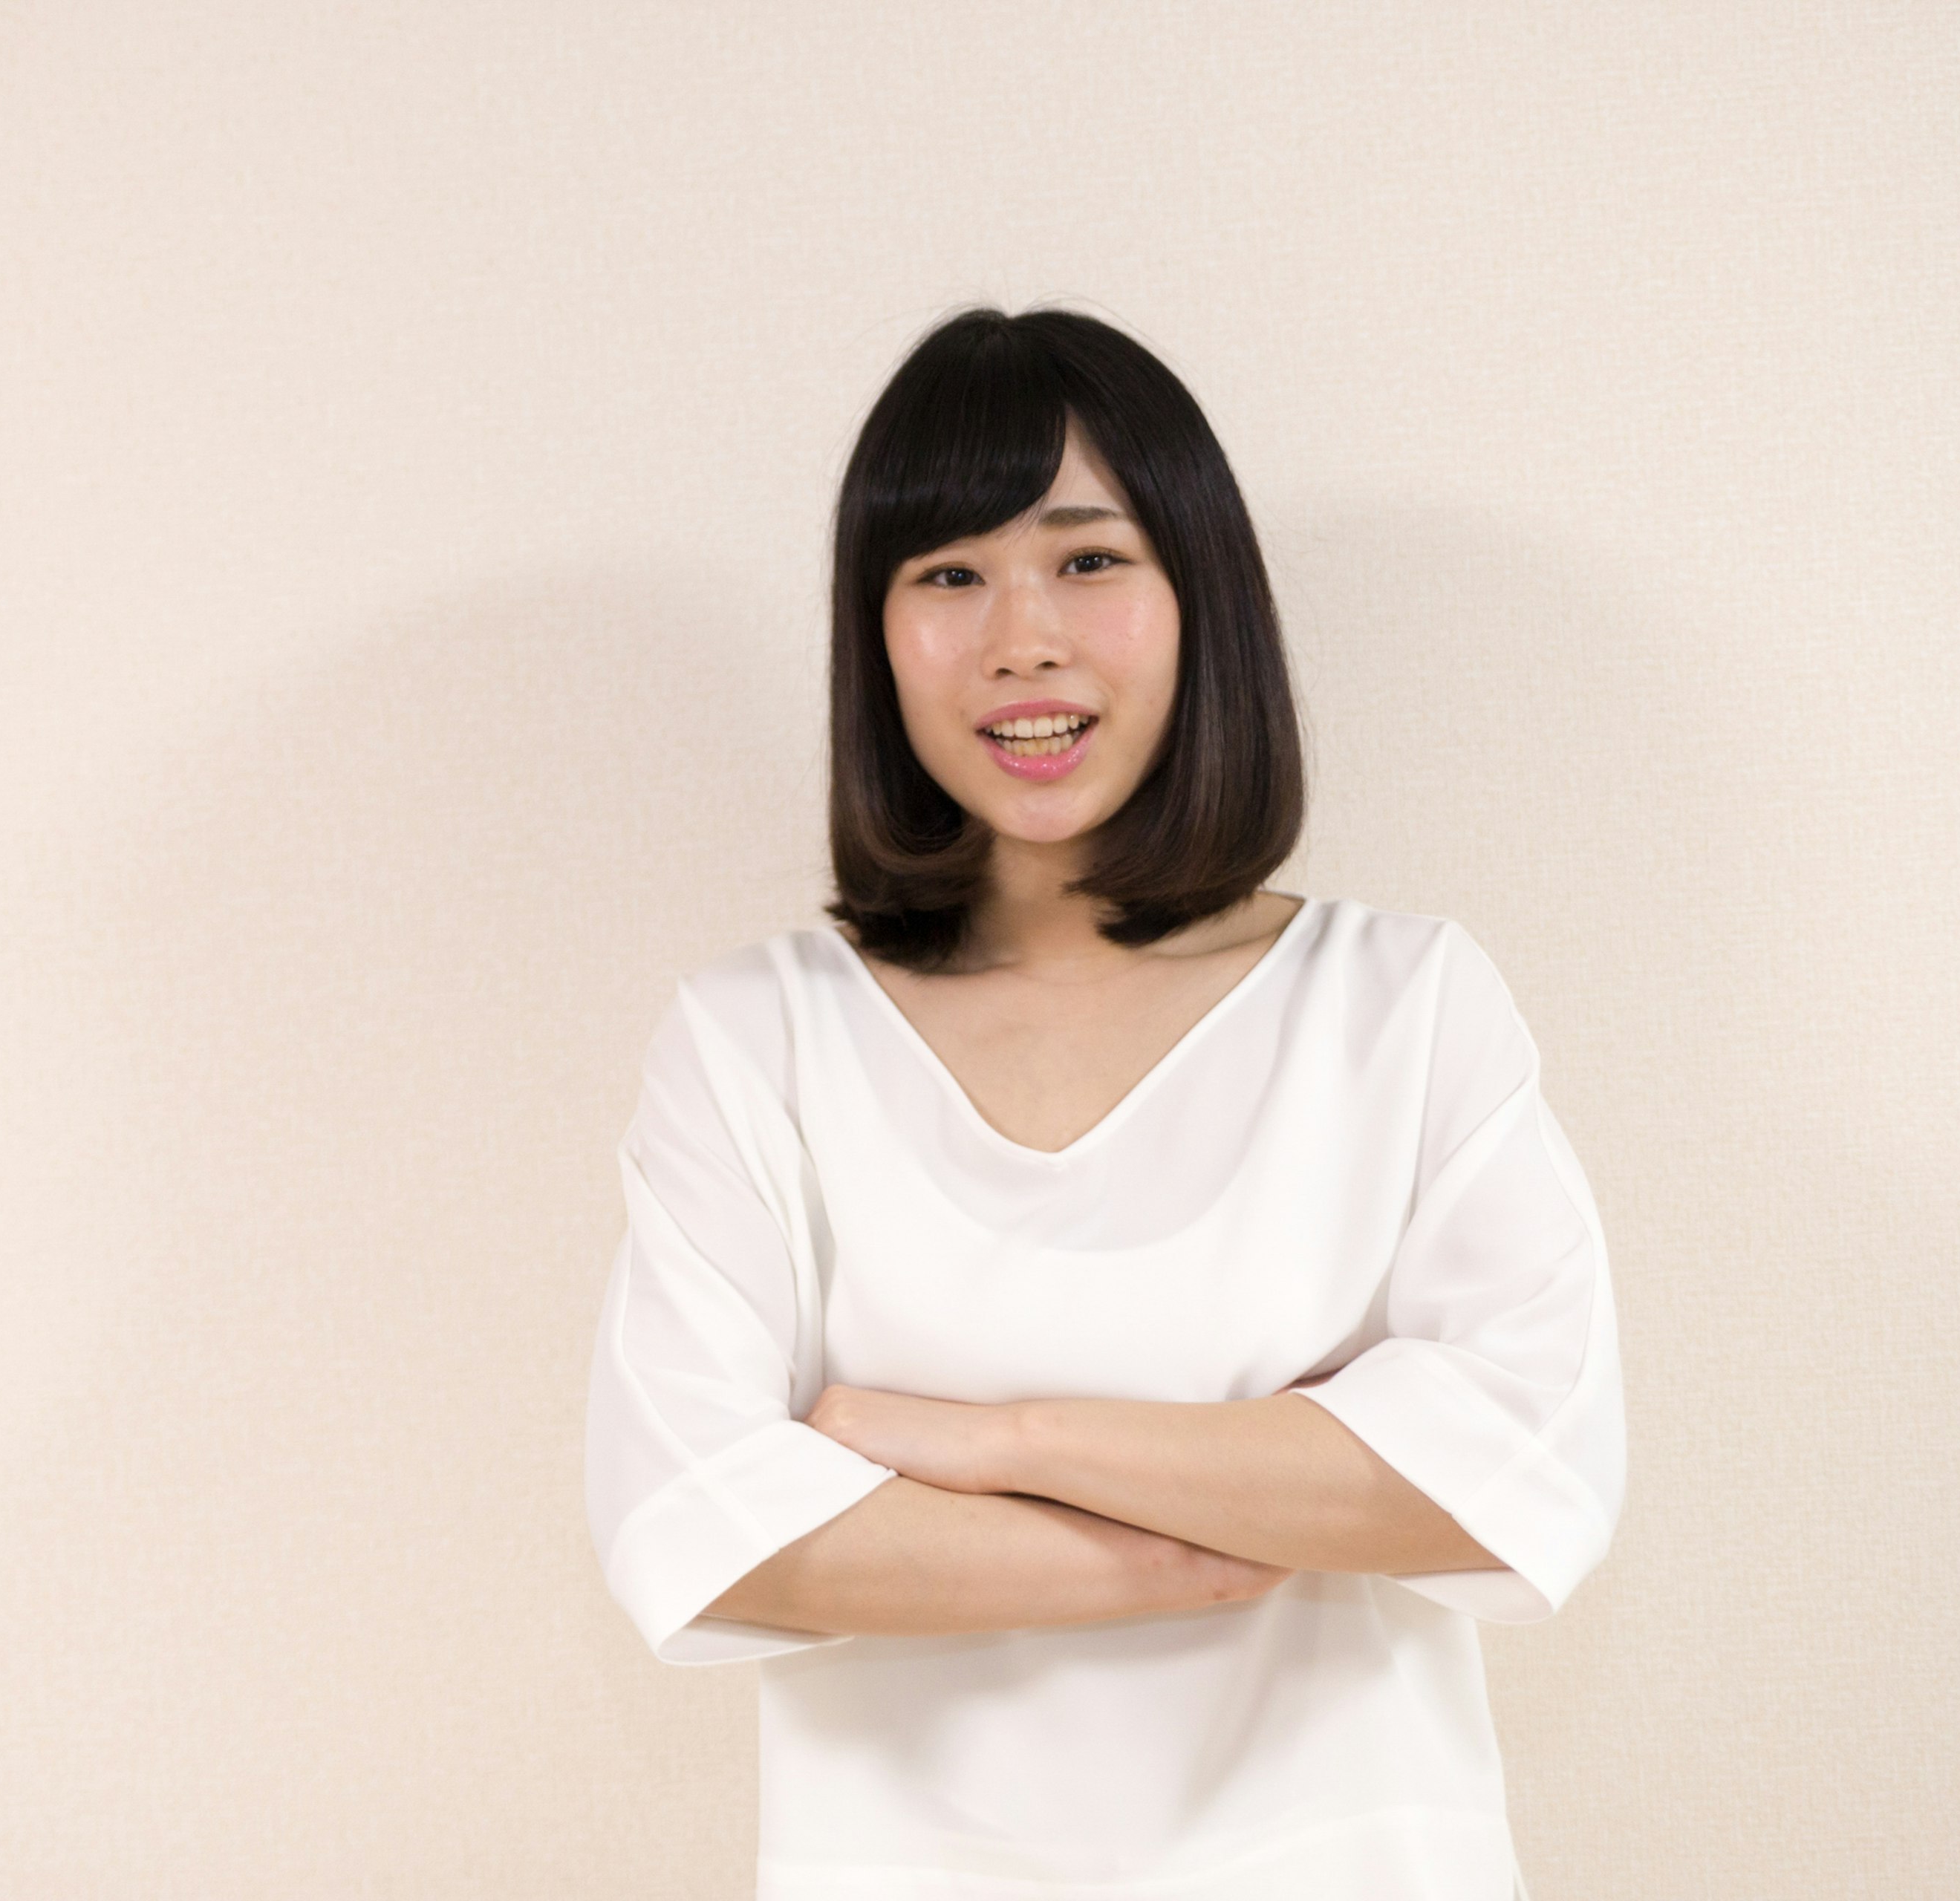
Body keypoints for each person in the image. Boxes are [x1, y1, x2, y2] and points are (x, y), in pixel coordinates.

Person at [582, 304, 1627, 1900]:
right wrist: (1243, 1512)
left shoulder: (1401, 1005)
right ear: (874, 634)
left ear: (1203, 596)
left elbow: (1524, 1465)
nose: (1021, 639)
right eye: (947, 575)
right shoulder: (754, 1037)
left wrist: (978, 1437)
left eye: (1087, 559)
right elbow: (698, 1521)